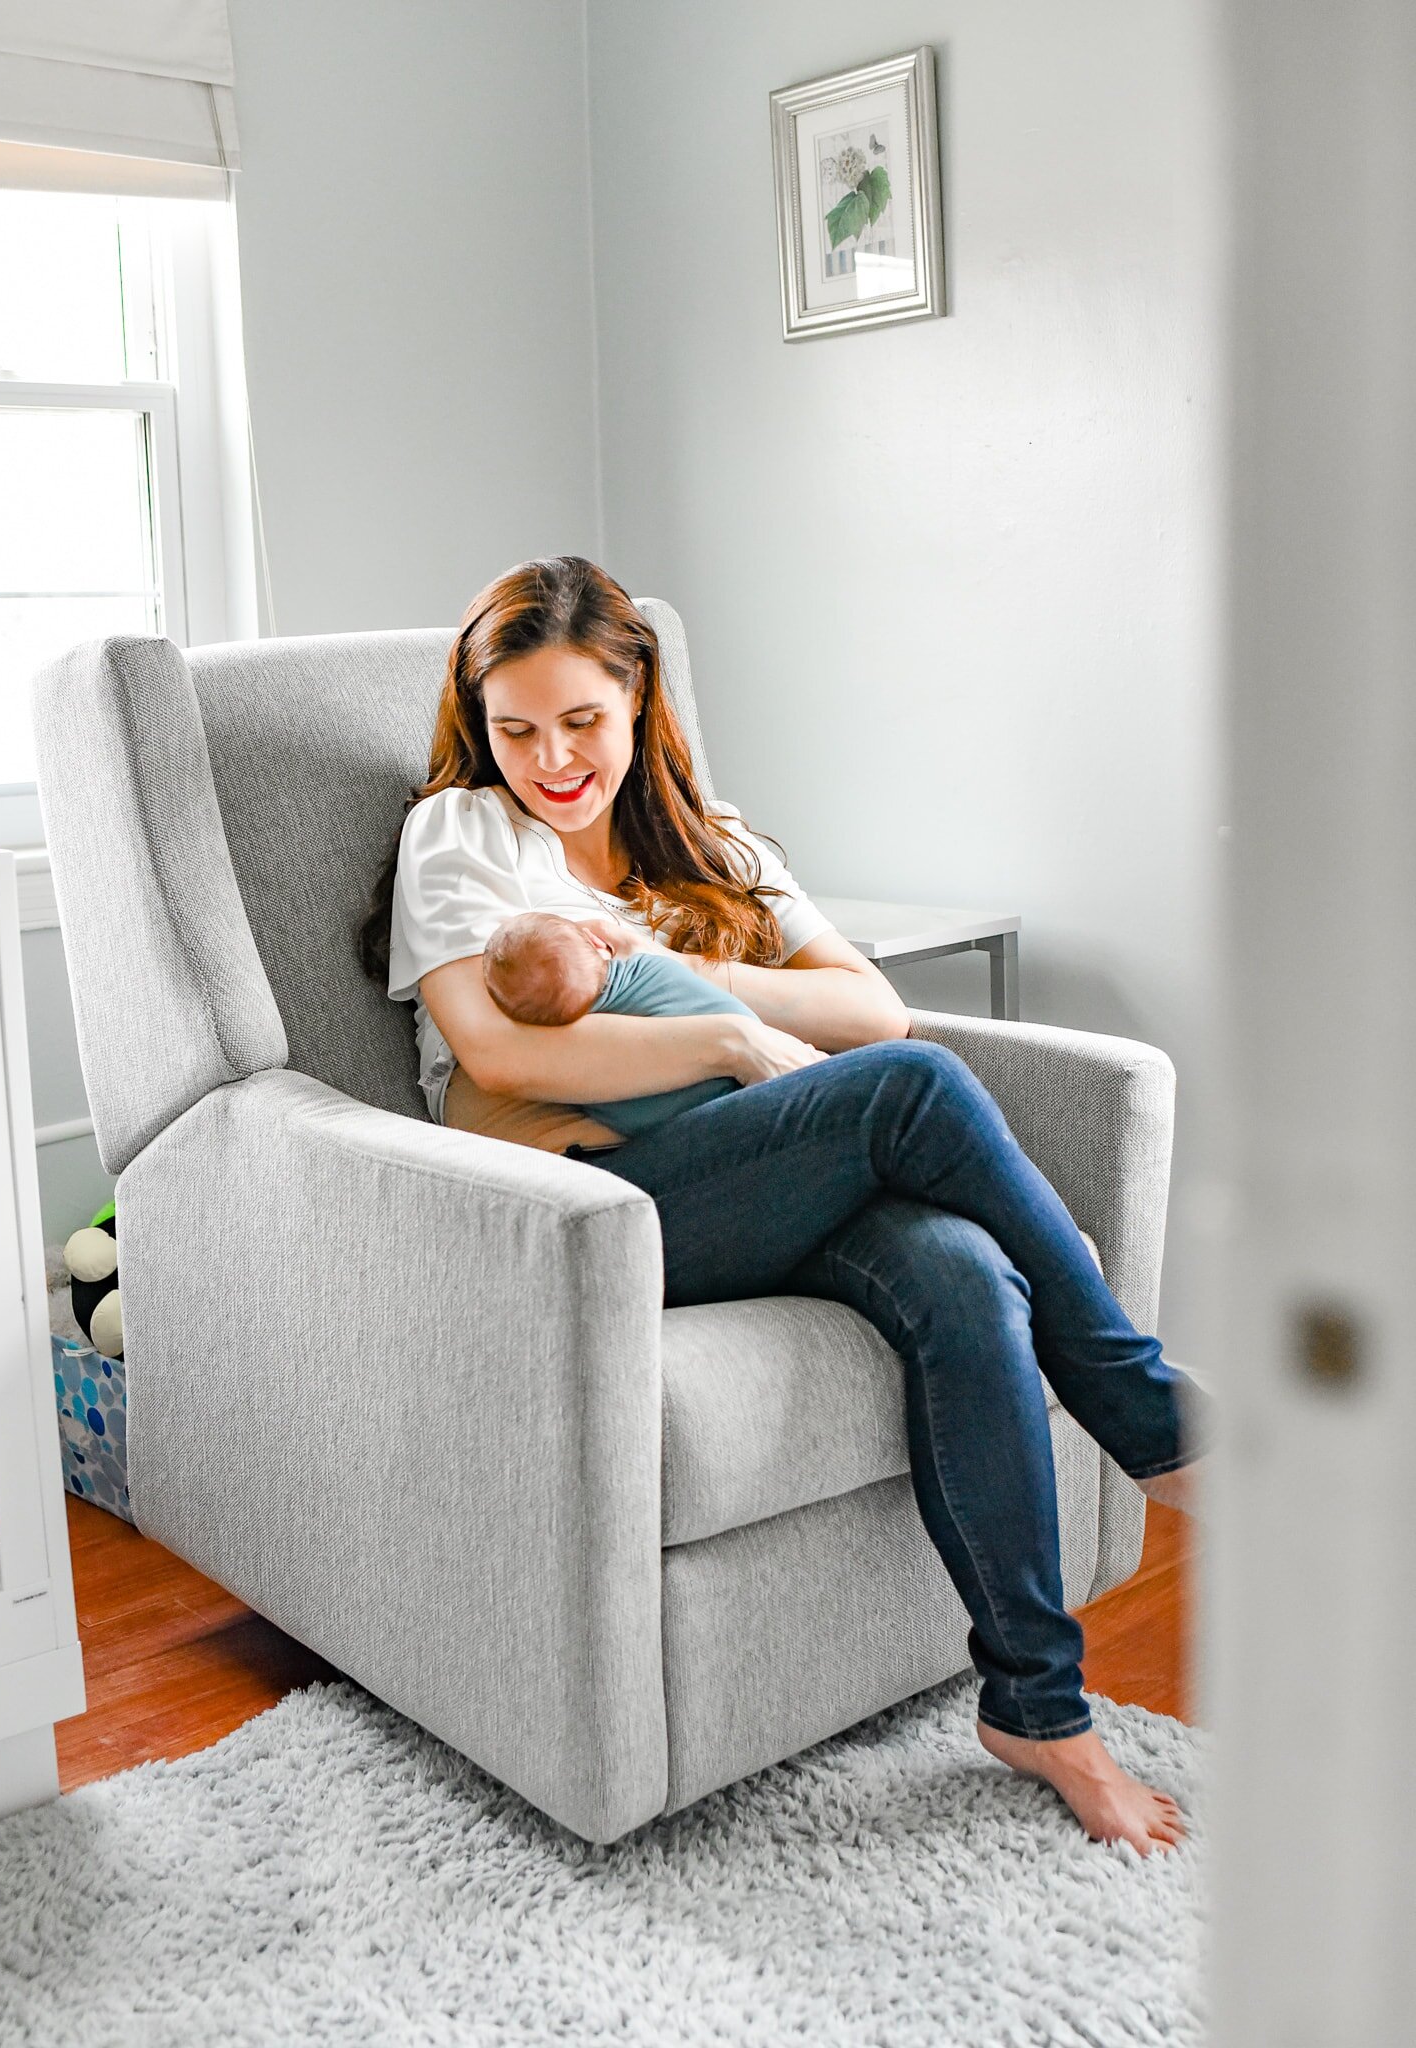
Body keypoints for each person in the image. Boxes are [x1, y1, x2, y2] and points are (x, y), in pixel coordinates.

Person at [357, 553, 1216, 1859]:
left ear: (636, 701)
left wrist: (695, 981)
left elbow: (862, 1004)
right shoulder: (464, 835)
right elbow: (500, 1060)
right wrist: (726, 1051)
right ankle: (1141, 1406)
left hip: (764, 1173)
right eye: (514, 728)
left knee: (960, 1274)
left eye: (580, 721)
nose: (549, 759)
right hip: (606, 1208)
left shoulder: (711, 844)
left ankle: (1038, 1709)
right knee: (913, 1089)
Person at [480, 908, 756, 1136]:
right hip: (752, 1083)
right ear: (598, 944)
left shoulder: (569, 1068)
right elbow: (736, 1013)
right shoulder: (651, 970)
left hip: (684, 1131)